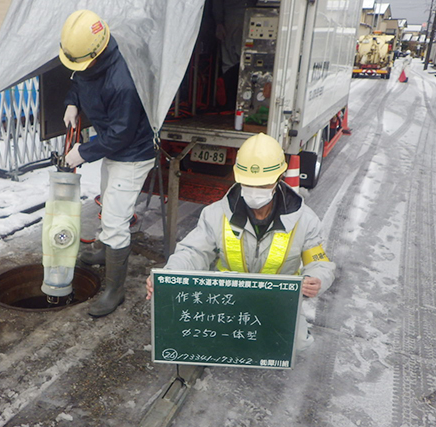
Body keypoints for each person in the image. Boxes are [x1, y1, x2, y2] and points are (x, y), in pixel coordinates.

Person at [145, 133, 335, 350]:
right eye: (249, 184)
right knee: (201, 335)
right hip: (226, 298)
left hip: (276, 301)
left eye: (263, 185)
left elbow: (320, 262)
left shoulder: (304, 219)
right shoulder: (216, 214)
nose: (255, 191)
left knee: (298, 343)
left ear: (278, 179)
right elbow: (193, 252)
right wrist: (169, 275)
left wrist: (316, 278)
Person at [60, 10, 156, 317]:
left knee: (116, 218)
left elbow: (121, 134)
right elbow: (79, 78)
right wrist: (72, 102)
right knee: (109, 204)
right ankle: (104, 250)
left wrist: (83, 152)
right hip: (113, 146)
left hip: (132, 153)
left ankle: (115, 291)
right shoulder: (91, 59)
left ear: (98, 52)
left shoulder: (122, 79)